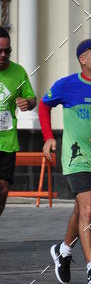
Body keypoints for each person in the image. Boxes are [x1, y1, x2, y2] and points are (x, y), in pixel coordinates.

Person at [40, 38, 91, 284]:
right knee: (88, 210)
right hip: (76, 157)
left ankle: (63, 250)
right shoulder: (66, 85)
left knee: (82, 211)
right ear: (83, 59)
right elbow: (44, 106)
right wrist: (48, 138)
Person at [0, 27, 36, 216]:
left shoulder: (18, 72)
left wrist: (27, 103)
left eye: (7, 51)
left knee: (3, 190)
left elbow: (32, 98)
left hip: (7, 142)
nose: (4, 55)